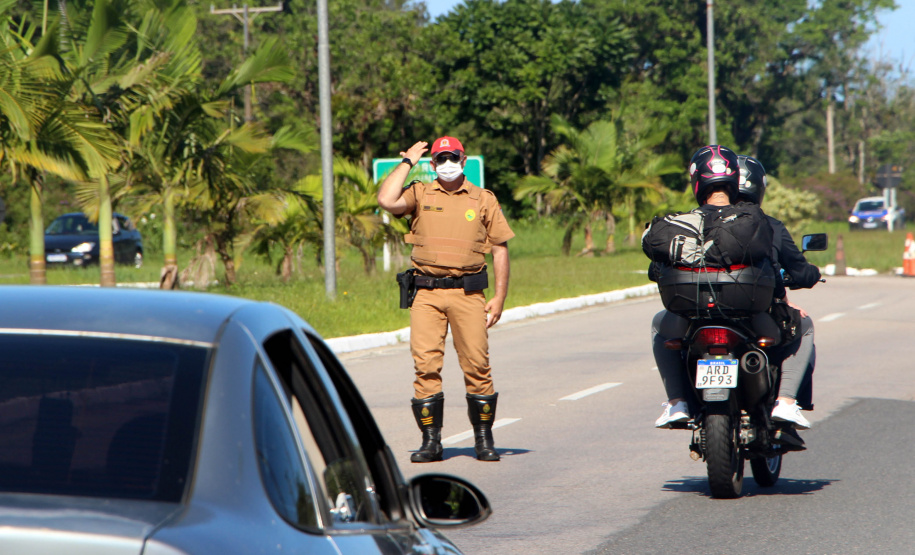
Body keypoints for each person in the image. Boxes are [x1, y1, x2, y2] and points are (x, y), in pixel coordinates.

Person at [377, 136, 515, 462]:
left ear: (464, 160)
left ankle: (484, 440)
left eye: (453, 157)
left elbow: (499, 249)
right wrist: (409, 161)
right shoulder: (420, 192)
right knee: (425, 366)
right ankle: (431, 442)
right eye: (441, 159)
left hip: (468, 293)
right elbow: (385, 199)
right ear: (433, 163)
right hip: (426, 293)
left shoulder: (483, 199)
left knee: (478, 366)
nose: (448, 163)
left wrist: (499, 297)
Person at [650, 145, 801, 433]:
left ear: (697, 181)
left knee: (660, 325)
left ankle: (677, 401)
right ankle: (785, 401)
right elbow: (772, 266)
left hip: (690, 311)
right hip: (748, 312)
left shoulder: (684, 223)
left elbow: (655, 269)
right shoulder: (755, 221)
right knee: (797, 327)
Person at [737, 155, 821, 430]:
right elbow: (795, 269)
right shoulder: (769, 225)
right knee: (804, 326)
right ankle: (785, 402)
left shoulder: (698, 222)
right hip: (757, 313)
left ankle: (678, 401)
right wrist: (811, 275)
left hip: (702, 311)